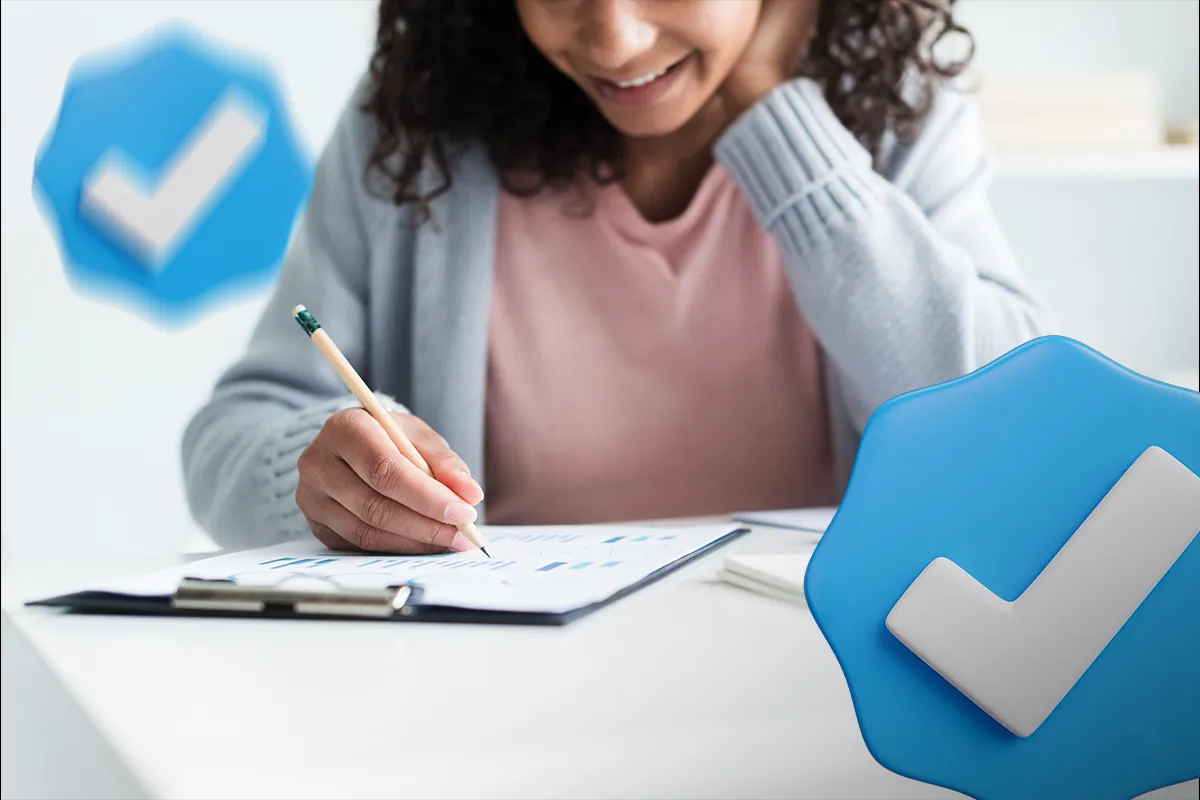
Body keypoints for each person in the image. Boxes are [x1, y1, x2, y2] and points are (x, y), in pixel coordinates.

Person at [182, 0, 1052, 554]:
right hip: (500, 699)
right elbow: (232, 430)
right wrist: (327, 472)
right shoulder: (415, 125)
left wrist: (770, 107)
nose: (614, 39)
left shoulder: (896, 113)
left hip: (817, 694)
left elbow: (1012, 436)